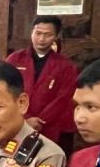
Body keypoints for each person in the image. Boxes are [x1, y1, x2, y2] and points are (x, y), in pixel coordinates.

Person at [5, 16, 79, 145]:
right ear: (32, 33)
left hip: (50, 127)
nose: (41, 39)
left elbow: (64, 97)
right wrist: (25, 118)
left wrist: (40, 120)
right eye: (38, 33)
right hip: (17, 122)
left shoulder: (66, 66)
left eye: (48, 35)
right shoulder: (14, 59)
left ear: (56, 36)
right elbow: (5, 89)